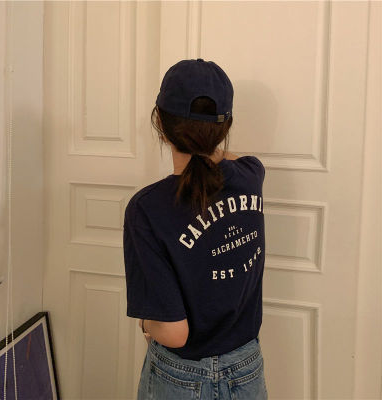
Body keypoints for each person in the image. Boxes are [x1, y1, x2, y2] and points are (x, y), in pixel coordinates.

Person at [123, 58, 268, 399]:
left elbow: (174, 334)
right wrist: (208, 149)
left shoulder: (147, 209)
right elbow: (231, 159)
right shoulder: (251, 176)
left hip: (181, 378)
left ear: (160, 124)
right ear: (226, 126)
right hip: (247, 368)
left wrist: (145, 323)